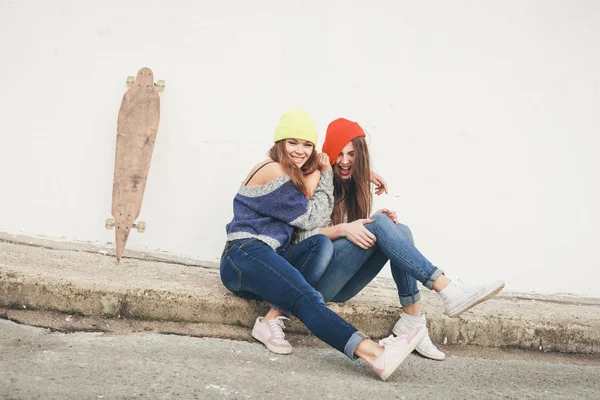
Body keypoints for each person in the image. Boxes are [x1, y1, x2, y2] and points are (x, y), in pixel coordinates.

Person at [220, 108, 427, 381]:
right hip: (244, 253)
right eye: (292, 142)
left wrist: (357, 171)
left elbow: (309, 190)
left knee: (324, 245)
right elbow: (312, 214)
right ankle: (375, 352)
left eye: (307, 144)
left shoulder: (293, 174)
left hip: (273, 259)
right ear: (279, 143)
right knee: (305, 298)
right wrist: (326, 170)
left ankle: (271, 321)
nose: (300, 150)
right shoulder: (272, 170)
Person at [296, 117, 505, 361]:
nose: (344, 161)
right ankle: (445, 288)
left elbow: (356, 230)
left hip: (342, 285)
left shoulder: (355, 185)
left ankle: (412, 320)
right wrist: (344, 229)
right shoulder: (315, 177)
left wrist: (373, 217)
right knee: (382, 225)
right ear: (329, 153)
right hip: (315, 281)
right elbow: (301, 236)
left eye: (352, 154)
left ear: (360, 155)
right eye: (339, 154)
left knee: (400, 230)